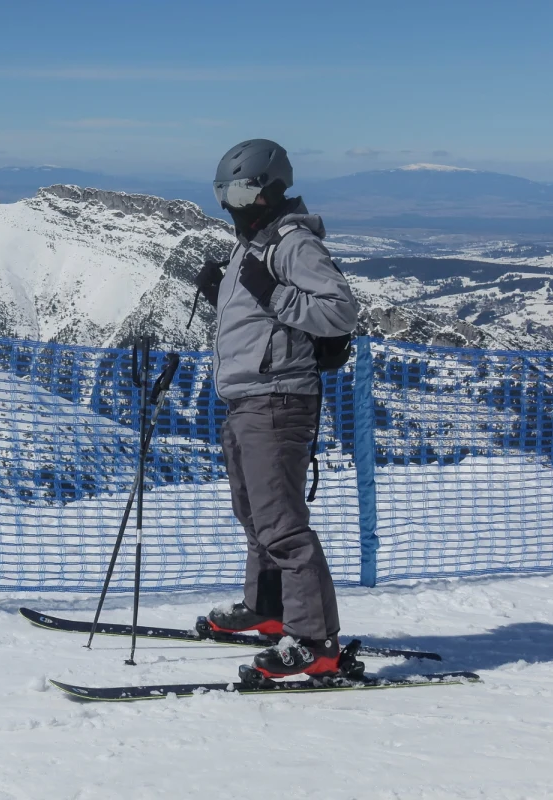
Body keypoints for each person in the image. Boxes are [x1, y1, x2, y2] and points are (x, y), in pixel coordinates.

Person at [192, 139, 359, 679]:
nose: (229, 202)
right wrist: (223, 291)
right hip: (244, 396)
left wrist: (272, 294)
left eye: (239, 190)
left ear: (268, 188)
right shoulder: (251, 242)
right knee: (255, 517)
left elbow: (339, 311)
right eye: (223, 191)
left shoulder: (290, 243)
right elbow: (256, 315)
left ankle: (315, 641)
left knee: (283, 526)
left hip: (278, 398)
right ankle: (269, 609)